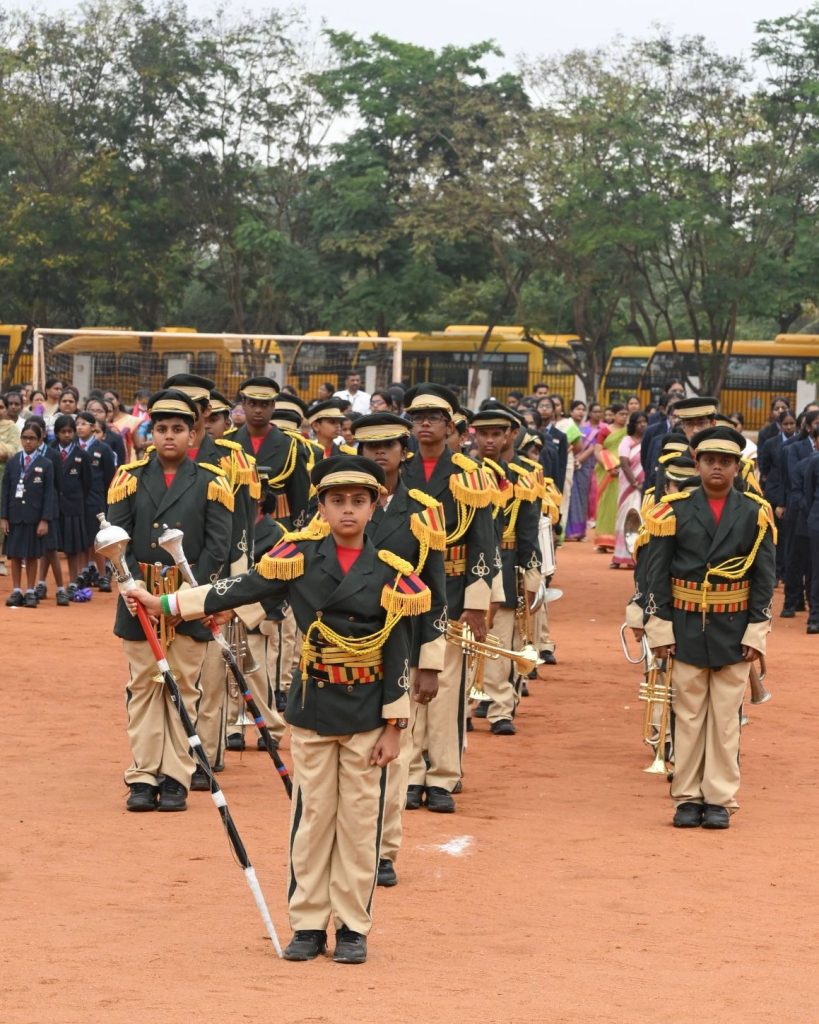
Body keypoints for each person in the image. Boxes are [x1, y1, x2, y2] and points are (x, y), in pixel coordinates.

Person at [129, 455, 428, 965]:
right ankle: (308, 924)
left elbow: (399, 651)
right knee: (311, 819)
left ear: (376, 504)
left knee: (360, 824)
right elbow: (238, 589)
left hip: (367, 715)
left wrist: (396, 724)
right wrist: (168, 605)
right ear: (323, 506)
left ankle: (353, 926)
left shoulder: (394, 572)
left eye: (359, 500)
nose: (348, 511)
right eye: (337, 501)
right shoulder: (300, 557)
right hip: (313, 707)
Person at [106, 388, 233, 814]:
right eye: (161, 429)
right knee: (142, 686)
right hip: (138, 598)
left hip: (189, 599)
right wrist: (130, 586)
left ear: (193, 434)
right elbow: (115, 540)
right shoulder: (129, 478)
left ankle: (176, 775)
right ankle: (143, 775)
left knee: (183, 686)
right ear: (150, 433)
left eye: (179, 429)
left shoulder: (213, 482)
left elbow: (219, 548)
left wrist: (190, 600)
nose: (169, 437)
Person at [643, 425, 775, 829]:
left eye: (726, 462)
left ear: (738, 467)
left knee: (724, 720)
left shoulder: (755, 512)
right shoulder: (673, 509)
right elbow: (656, 574)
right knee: (688, 716)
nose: (717, 467)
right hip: (684, 625)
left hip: (734, 630)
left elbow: (764, 579)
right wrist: (660, 630)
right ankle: (687, 797)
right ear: (697, 464)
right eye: (709, 460)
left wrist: (757, 635)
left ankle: (718, 798)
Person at [352, 411, 446, 886]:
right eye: (370, 447)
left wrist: (430, 661)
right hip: (343, 647)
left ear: (403, 451)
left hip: (400, 645)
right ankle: (350, 846)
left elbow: (435, 592)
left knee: (393, 753)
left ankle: (383, 850)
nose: (380, 453)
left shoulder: (424, 512)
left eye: (389, 445)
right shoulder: (335, 503)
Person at [401, 384, 495, 813]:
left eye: (434, 417)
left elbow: (483, 540)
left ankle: (442, 776)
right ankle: (411, 772)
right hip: (401, 591)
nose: (424, 424)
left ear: (450, 424)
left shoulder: (469, 472)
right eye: (418, 417)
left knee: (447, 686)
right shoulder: (398, 470)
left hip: (452, 588)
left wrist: (477, 601)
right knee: (406, 683)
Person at [470, 407, 541, 734]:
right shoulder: (464, 474)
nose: (489, 440)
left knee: (499, 638)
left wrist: (532, 575)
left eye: (496, 434)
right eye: (483, 433)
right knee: (466, 639)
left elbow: (529, 532)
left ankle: (500, 710)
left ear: (510, 435)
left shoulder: (525, 475)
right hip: (469, 565)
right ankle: (466, 706)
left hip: (507, 560)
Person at [231, 376, 310, 531]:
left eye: (265, 404)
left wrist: (295, 530)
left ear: (274, 405)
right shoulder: (227, 443)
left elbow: (299, 495)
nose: (258, 410)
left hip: (278, 525)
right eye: (252, 404)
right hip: (237, 524)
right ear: (243, 404)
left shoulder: (292, 446)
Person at [1, 421, 57, 606]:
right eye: (25, 438)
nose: (28, 442)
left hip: (35, 517)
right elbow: (5, 491)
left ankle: (31, 590)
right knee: (15, 554)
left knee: (32, 555)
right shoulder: (12, 462)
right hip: (15, 515)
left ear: (40, 440)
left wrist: (45, 520)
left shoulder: (46, 464)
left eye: (32, 438)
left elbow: (49, 494)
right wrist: (3, 517)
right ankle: (17, 590)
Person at [49, 414, 92, 597]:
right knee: (49, 548)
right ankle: (42, 583)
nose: (67, 435)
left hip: (74, 507)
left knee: (73, 548)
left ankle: (73, 582)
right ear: (57, 433)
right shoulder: (49, 452)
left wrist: (77, 498)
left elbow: (87, 483)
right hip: (53, 507)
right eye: (63, 432)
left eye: (70, 431)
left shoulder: (82, 455)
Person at [75, 410, 116, 590]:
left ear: (93, 427)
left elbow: (109, 477)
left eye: (84, 423)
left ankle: (102, 574)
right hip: (76, 500)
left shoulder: (103, 449)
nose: (79, 427)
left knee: (97, 538)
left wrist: (106, 500)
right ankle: (83, 572)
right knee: (81, 538)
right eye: (77, 423)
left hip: (96, 498)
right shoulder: (74, 448)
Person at [611, 411, 647, 568]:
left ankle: (634, 555)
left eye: (645, 421)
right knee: (625, 516)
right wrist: (634, 483)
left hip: (643, 485)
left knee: (639, 518)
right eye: (639, 422)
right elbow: (624, 464)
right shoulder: (626, 441)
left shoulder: (647, 441)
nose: (642, 425)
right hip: (629, 485)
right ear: (633, 424)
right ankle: (619, 556)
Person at [565, 401, 603, 540]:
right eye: (577, 409)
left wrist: (579, 460)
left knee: (582, 498)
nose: (580, 412)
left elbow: (592, 448)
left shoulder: (588, 430)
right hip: (568, 463)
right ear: (571, 411)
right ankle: (569, 532)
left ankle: (579, 531)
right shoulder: (567, 426)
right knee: (569, 496)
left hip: (584, 466)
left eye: (582, 409)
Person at [594, 404, 628, 550]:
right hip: (608, 472)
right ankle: (603, 540)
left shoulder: (629, 431)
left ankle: (618, 540)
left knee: (621, 504)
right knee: (606, 505)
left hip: (625, 472)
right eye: (621, 414)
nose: (624, 417)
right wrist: (609, 466)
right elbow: (597, 451)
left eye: (626, 414)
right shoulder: (605, 431)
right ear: (613, 415)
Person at [0, 395, 21, 575]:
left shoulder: (12, 428)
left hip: (3, 476)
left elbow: (12, 451)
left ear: (5, 409)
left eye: (0, 407)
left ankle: (0, 559)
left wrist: (3, 450)